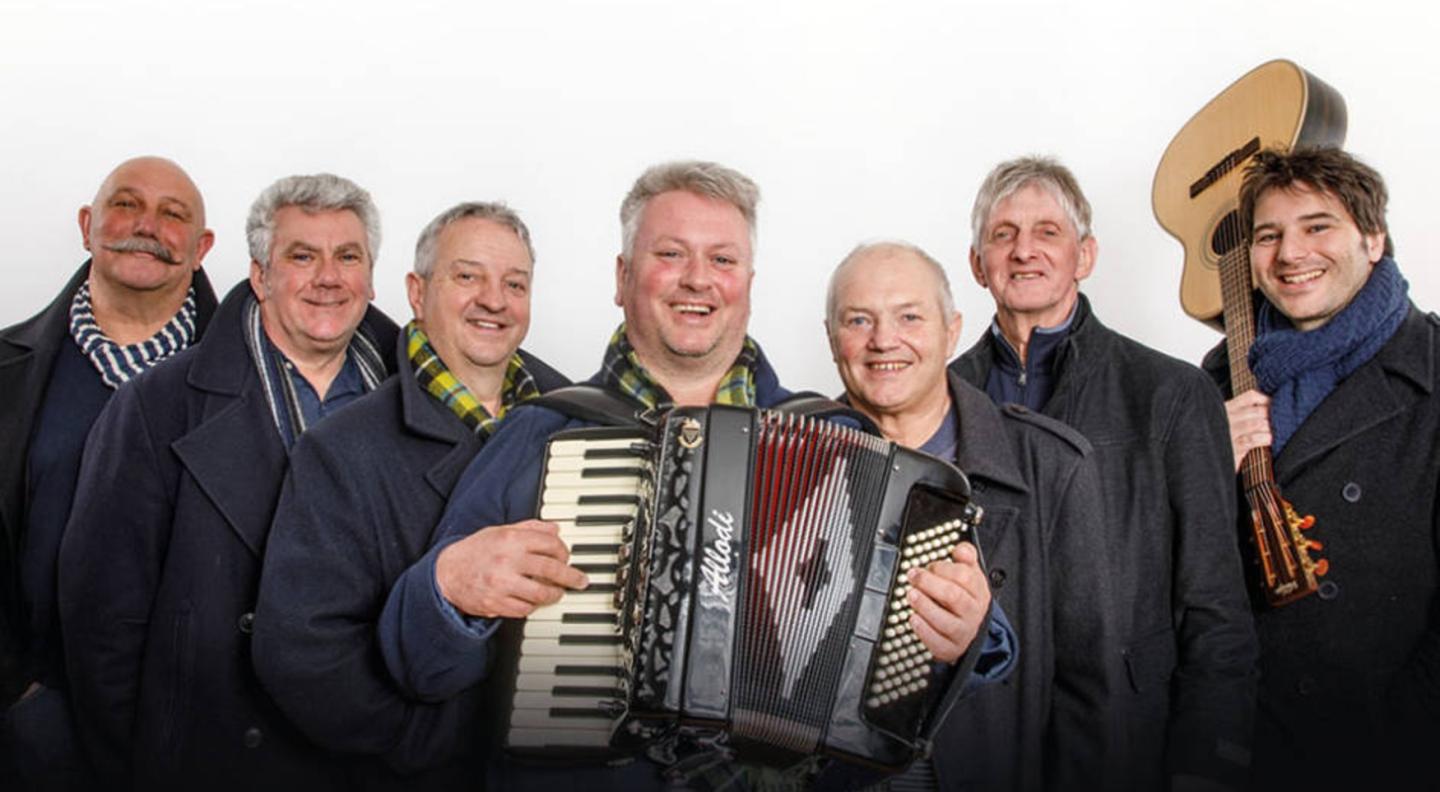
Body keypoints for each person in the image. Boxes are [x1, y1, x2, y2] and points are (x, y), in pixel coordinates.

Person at [377, 161, 1013, 790]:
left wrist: (968, 628)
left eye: (723, 260)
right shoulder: (542, 434)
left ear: (749, 283)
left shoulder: (847, 445)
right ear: (623, 278)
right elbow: (415, 665)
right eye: (671, 254)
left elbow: (971, 649)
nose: (698, 280)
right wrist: (448, 587)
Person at [58, 173, 399, 790]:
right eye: (302, 256)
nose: (328, 277)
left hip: (379, 755)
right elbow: (101, 625)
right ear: (260, 277)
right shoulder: (155, 405)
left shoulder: (413, 395)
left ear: (371, 278)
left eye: (347, 257)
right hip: (218, 759)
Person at [951, 156, 1259, 790]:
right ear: (978, 264)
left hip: (1126, 733)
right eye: (1003, 234)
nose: (1024, 251)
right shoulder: (943, 394)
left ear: (1084, 255)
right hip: (978, 737)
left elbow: (1215, 605)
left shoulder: (1170, 393)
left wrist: (1210, 761)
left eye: (1048, 232)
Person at [251, 202, 569, 788]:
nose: (494, 300)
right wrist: (438, 746)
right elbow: (302, 659)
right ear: (416, 293)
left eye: (514, 283)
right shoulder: (340, 448)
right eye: (467, 276)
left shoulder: (579, 418)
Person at [825, 241, 1116, 790]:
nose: (884, 339)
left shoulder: (1052, 466)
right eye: (859, 319)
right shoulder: (786, 460)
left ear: (952, 331)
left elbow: (1088, 692)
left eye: (909, 316)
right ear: (831, 337)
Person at [1207, 147, 1440, 791]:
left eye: (1317, 227)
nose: (1289, 254)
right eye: (1268, 235)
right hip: (1246, 747)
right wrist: (1203, 470)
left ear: (1373, 238)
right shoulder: (1217, 377)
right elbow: (1178, 577)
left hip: (1391, 750)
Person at [0, 156, 218, 790]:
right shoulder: (6, 373)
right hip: (37, 726)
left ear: (202, 247)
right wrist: (16, 693)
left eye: (173, 214)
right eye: (126, 204)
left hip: (202, 726)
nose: (147, 225)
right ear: (87, 224)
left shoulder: (255, 375)